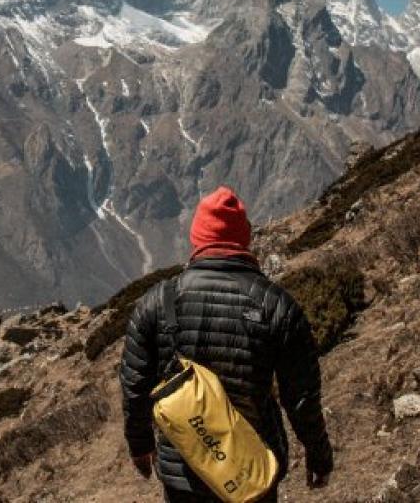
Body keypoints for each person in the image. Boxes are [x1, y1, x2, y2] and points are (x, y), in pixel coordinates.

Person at [120, 186, 334, 501]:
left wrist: (140, 445)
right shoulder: (275, 306)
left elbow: (135, 384)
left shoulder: (157, 301)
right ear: (242, 239)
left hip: (184, 466)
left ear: (197, 238)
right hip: (250, 467)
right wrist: (318, 455)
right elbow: (300, 396)